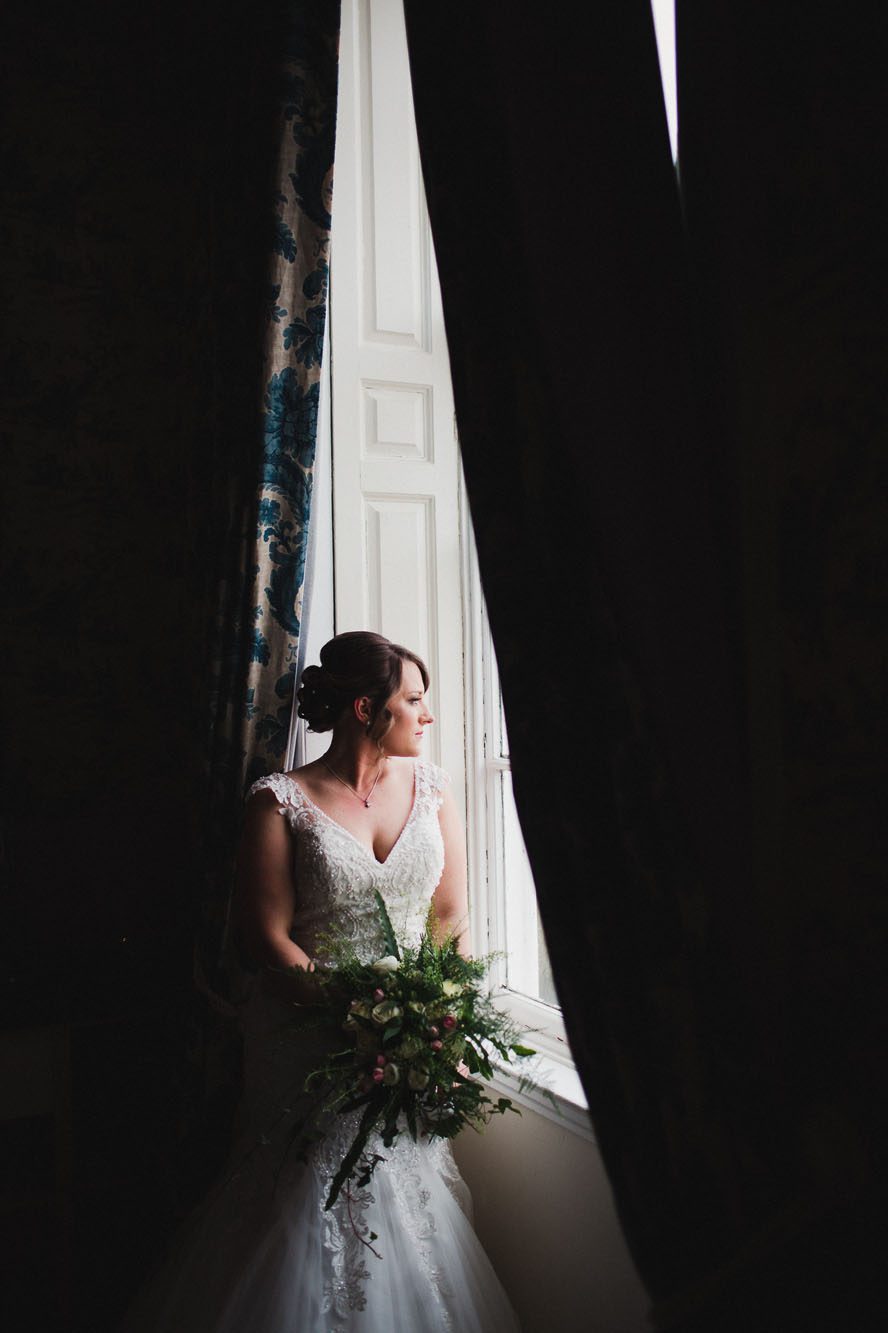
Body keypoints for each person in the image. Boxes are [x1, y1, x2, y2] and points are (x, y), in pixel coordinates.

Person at [122, 631, 520, 1332]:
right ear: (367, 708)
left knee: (405, 1191)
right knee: (307, 1194)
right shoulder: (280, 801)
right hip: (308, 1039)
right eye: (415, 700)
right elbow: (266, 937)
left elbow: (449, 914)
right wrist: (357, 1012)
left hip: (408, 1038)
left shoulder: (432, 789)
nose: (428, 715)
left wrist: (434, 1012)